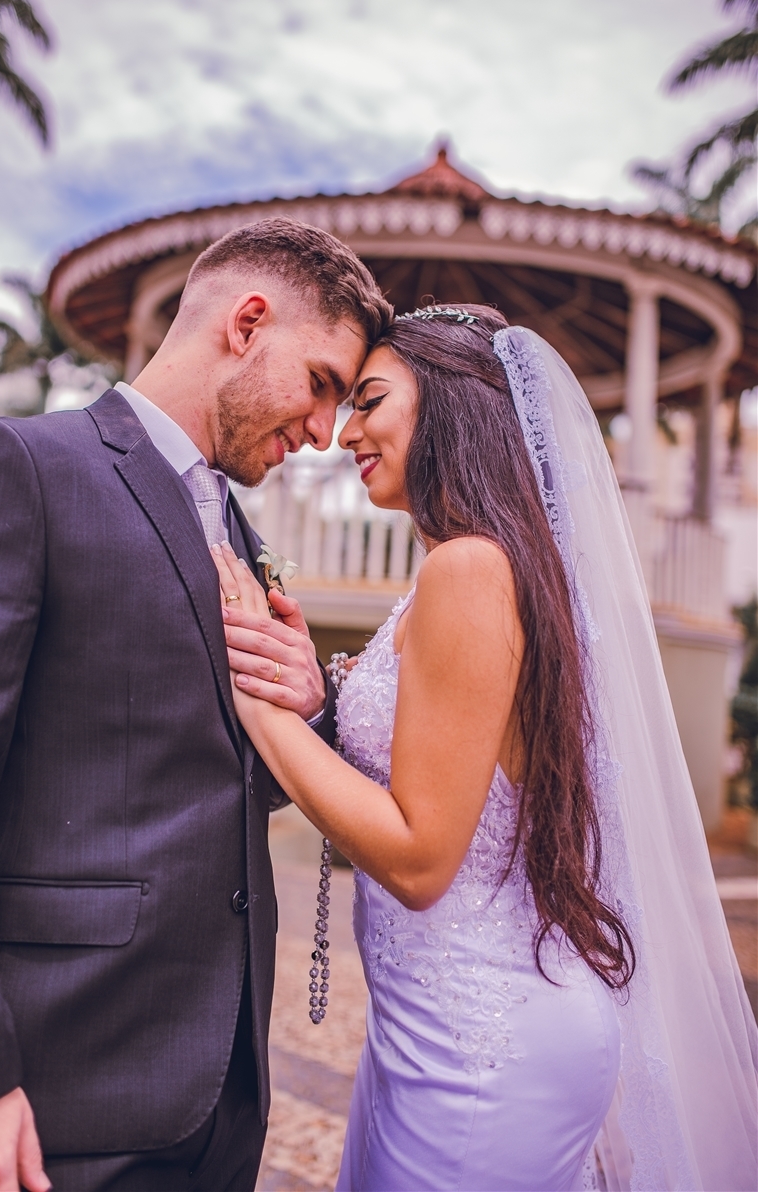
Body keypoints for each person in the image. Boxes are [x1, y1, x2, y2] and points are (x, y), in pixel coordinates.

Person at [214, 305, 758, 1192]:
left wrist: (253, 703)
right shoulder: (480, 565)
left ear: (453, 407)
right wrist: (315, 696)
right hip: (440, 1021)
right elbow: (448, 767)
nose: (345, 431)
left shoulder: (468, 568)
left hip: (478, 1047)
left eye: (370, 400)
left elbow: (423, 858)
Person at [0, 218, 392, 1192]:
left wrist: (305, 710)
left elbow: (210, 772)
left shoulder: (244, 533)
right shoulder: (17, 465)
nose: (325, 431)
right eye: (323, 382)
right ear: (246, 322)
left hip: (219, 1098)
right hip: (48, 1096)